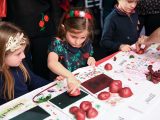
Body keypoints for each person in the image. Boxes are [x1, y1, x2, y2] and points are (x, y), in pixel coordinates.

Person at [3, 0, 62, 80]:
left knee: (42, 66)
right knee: (20, 66)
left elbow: (54, 4)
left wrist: (57, 27)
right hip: (16, 26)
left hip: (42, 26)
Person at [0, 22, 50, 105]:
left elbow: (33, 80)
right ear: (2, 55)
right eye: (18, 54)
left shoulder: (19, 63)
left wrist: (54, 85)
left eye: (23, 51)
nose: (23, 56)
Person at [47, 8, 96, 94]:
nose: (78, 42)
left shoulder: (86, 42)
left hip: (82, 83)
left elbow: (89, 55)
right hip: (64, 84)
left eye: (82, 37)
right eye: (73, 36)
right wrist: (69, 76)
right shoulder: (58, 43)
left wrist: (91, 58)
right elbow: (52, 63)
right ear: (64, 29)